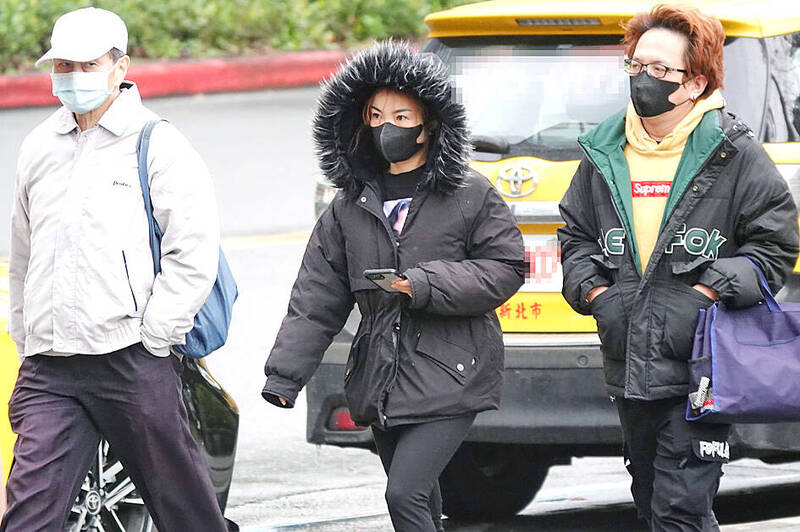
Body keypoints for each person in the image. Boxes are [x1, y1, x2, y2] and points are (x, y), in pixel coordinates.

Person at [262, 42, 524, 532]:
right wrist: (284, 377)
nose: (388, 126)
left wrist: (420, 283)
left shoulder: (469, 193)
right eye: (376, 114)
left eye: (403, 116)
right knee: (421, 502)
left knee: (403, 492)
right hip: (381, 374)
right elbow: (316, 297)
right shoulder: (349, 206)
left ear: (429, 125)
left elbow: (506, 267)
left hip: (454, 372)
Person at [559, 4, 799, 531]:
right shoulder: (604, 153)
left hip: (701, 367)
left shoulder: (731, 153)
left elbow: (774, 247)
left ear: (695, 84)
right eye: (636, 66)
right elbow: (574, 236)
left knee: (680, 509)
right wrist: (597, 296)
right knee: (648, 502)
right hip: (628, 362)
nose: (643, 78)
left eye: (660, 70)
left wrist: (707, 295)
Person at [2, 7, 228, 531]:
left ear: (120, 65)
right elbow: (24, 252)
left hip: (129, 359)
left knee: (183, 509)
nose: (74, 77)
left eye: (87, 65)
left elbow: (193, 250)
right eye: (64, 65)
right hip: (51, 367)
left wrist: (155, 336)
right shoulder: (39, 146)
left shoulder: (158, 144)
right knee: (28, 514)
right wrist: (26, 332)